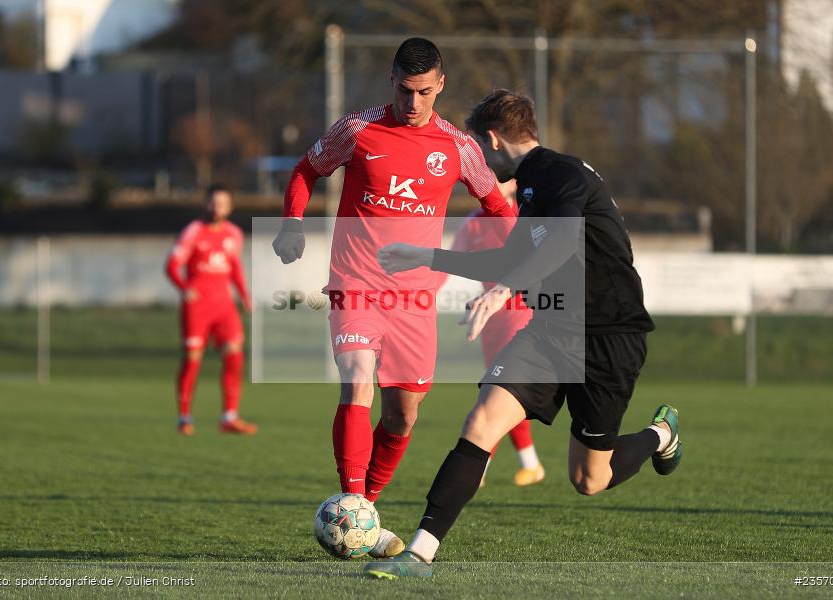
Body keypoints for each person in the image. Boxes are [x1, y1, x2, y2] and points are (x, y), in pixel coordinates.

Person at [366, 90, 682, 578]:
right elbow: (509, 260)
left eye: (478, 148)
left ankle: (660, 434)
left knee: (588, 479)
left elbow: (559, 242)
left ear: (493, 140)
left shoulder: (561, 174)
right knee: (481, 423)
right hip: (552, 329)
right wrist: (428, 257)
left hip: (608, 336)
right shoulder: (532, 186)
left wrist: (501, 293)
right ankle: (419, 554)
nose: (478, 161)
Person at [272, 38, 513, 558]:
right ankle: (354, 504)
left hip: (415, 302)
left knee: (402, 417)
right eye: (405, 90)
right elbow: (305, 170)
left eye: (424, 92)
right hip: (355, 283)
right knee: (357, 381)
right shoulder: (357, 130)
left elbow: (498, 207)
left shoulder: (457, 148)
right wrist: (292, 223)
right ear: (392, 80)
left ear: (440, 85)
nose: (413, 102)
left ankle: (363, 514)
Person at [446, 179, 544, 488]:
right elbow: (450, 262)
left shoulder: (522, 220)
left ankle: (479, 467)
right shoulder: (473, 224)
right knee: (501, 390)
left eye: (495, 179)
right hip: (488, 318)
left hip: (521, 312)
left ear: (514, 184)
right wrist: (419, 296)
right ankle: (531, 464)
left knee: (499, 389)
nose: (484, 184)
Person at [166, 184, 257, 436]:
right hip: (197, 306)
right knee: (192, 360)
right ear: (205, 203)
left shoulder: (234, 234)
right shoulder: (193, 231)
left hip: (224, 306)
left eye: (222, 203)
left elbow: (235, 268)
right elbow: (172, 265)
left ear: (230, 207)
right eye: (213, 202)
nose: (217, 207)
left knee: (235, 356)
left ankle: (229, 417)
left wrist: (244, 296)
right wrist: (184, 288)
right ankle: (184, 417)